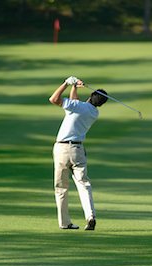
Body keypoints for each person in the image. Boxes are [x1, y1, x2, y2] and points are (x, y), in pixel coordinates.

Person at [49, 76, 108, 231]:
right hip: (78, 150)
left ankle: (65, 222)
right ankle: (90, 216)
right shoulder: (94, 113)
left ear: (90, 96)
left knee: (61, 187)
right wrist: (74, 87)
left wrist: (66, 84)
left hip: (62, 149)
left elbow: (53, 99)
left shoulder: (77, 106)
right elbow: (74, 104)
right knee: (83, 184)